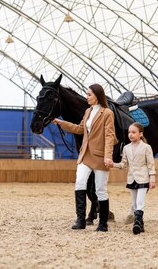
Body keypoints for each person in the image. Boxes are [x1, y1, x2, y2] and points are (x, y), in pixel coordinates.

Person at [52, 84, 116, 232]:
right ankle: (80, 220)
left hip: (100, 156)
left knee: (100, 190)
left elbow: (109, 136)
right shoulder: (87, 111)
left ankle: (103, 224)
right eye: (86, 94)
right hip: (85, 154)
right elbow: (80, 129)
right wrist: (63, 123)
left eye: (89, 95)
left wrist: (107, 156)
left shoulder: (107, 113)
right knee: (80, 184)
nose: (86, 97)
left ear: (97, 96)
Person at [112, 122, 156, 235]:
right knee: (134, 203)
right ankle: (140, 224)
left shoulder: (147, 147)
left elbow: (151, 164)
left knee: (140, 202)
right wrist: (113, 164)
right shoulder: (126, 148)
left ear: (140, 134)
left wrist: (152, 179)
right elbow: (123, 164)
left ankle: (136, 223)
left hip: (143, 178)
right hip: (131, 178)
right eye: (129, 132)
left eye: (133, 132)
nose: (130, 135)